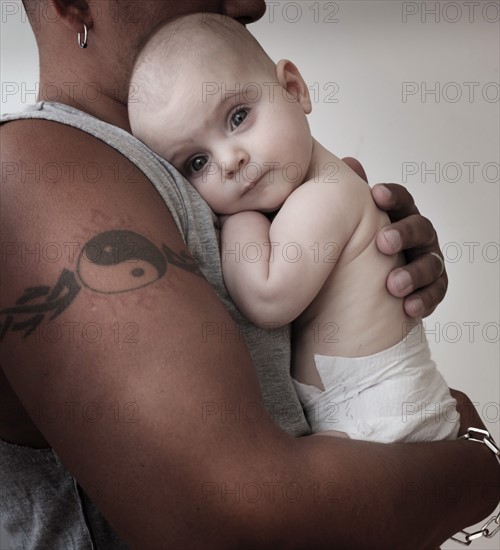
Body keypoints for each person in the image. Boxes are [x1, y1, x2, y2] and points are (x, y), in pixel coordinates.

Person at [1, 1, 498, 548]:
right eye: (197, 160)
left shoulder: (209, 180)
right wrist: (477, 465)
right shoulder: (35, 171)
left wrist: (369, 289)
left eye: (238, 117)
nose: (252, 4)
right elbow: (233, 518)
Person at [128, 13, 459, 444]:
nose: (230, 161)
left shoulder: (326, 194)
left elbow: (267, 297)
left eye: (238, 116)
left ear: (293, 89)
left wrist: (237, 221)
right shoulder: (303, 199)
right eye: (197, 163)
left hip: (394, 424)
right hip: (370, 425)